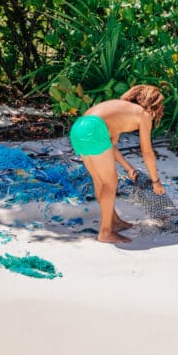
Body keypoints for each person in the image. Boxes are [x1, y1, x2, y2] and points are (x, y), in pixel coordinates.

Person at [70, 84, 165, 244]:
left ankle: (113, 221)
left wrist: (128, 168)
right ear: (153, 103)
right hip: (94, 129)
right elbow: (147, 152)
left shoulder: (120, 108)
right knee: (110, 182)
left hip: (78, 127)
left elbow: (110, 147)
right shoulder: (143, 115)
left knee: (100, 181)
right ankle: (105, 232)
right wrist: (156, 181)